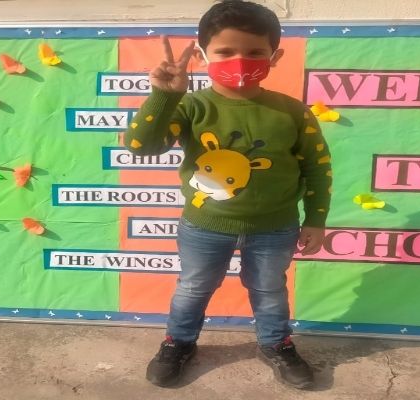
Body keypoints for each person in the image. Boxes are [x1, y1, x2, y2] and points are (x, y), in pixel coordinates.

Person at [124, 0, 332, 389]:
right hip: (204, 227)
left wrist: (316, 219)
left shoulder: (292, 112)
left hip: (275, 229)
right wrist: (164, 96)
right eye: (225, 51)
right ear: (203, 55)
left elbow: (317, 168)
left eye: (254, 52)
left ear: (275, 56)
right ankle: (178, 343)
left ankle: (276, 344)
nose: (240, 61)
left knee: (270, 290)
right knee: (193, 288)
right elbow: (141, 146)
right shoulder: (191, 106)